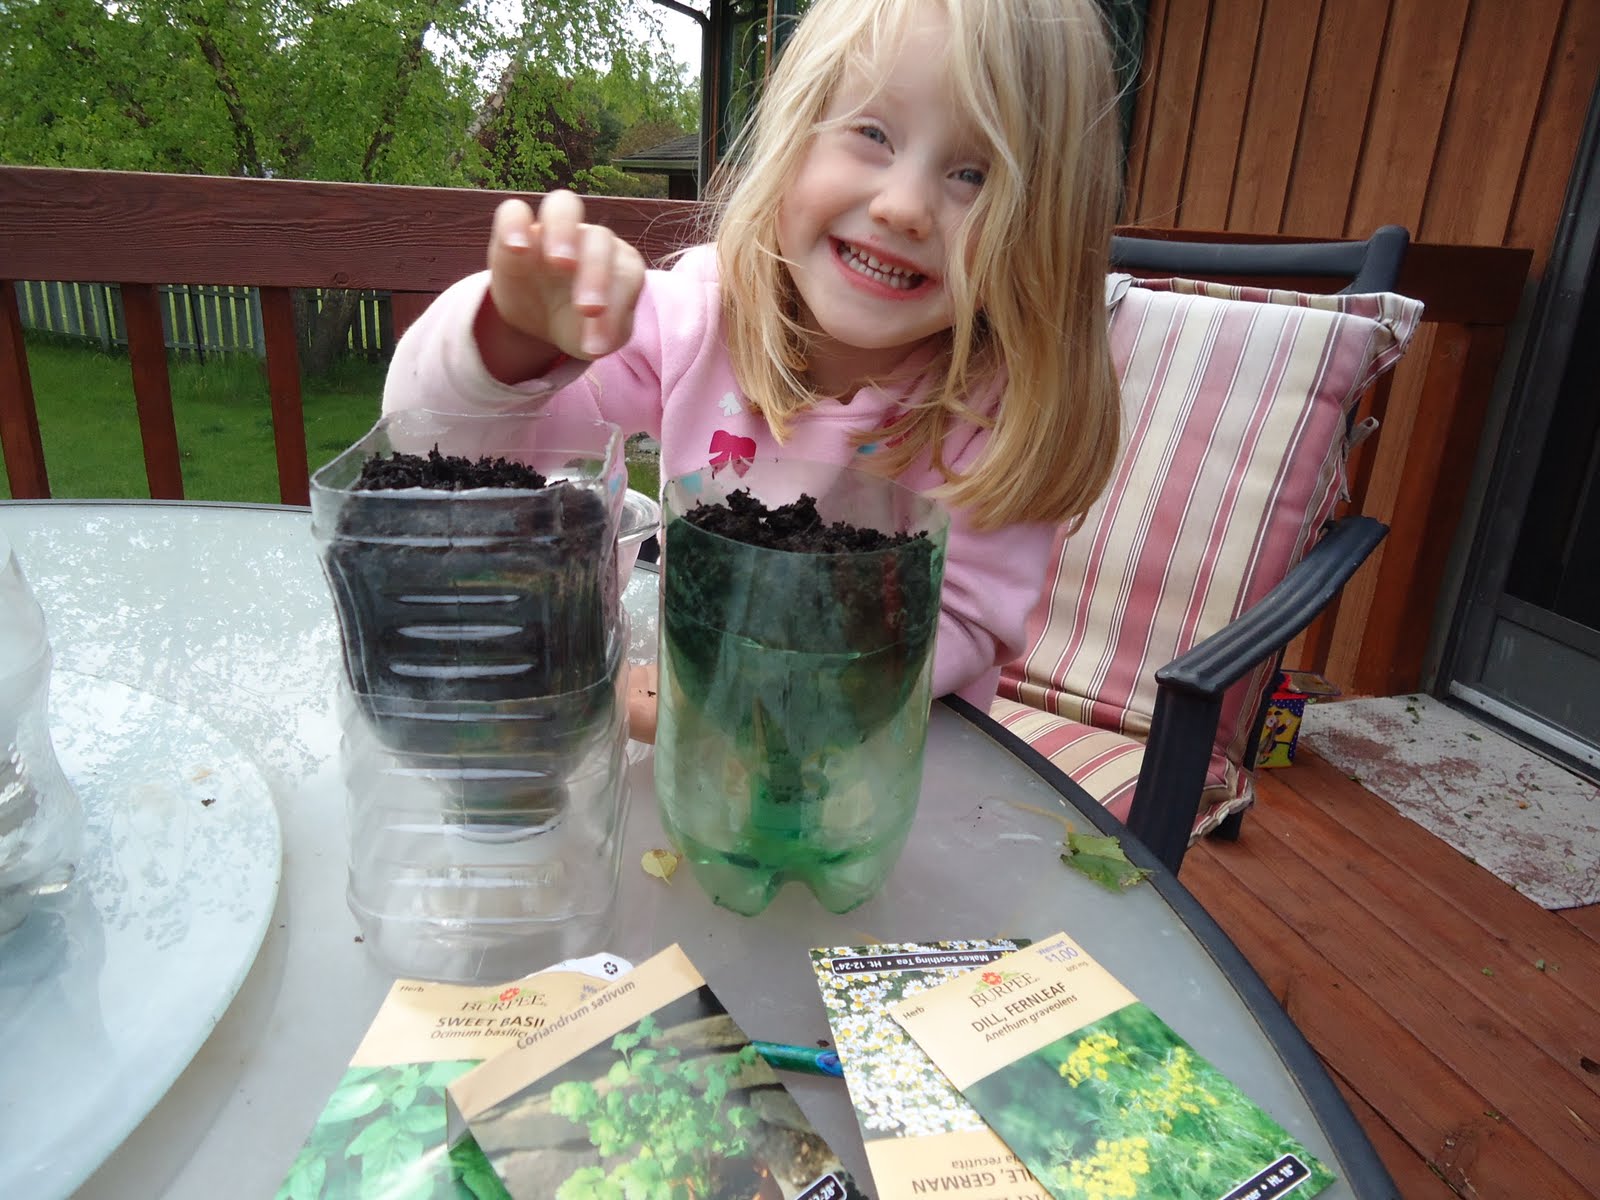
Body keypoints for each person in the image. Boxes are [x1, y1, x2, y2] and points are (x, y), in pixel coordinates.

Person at [383, 0, 1124, 736]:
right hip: (698, 772)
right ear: (794, 136)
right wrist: (515, 338)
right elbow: (447, 449)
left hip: (878, 780)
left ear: (1044, 228)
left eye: (973, 174)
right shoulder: (697, 318)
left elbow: (957, 622)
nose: (905, 207)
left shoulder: (1000, 408)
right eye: (872, 133)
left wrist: (721, 695)